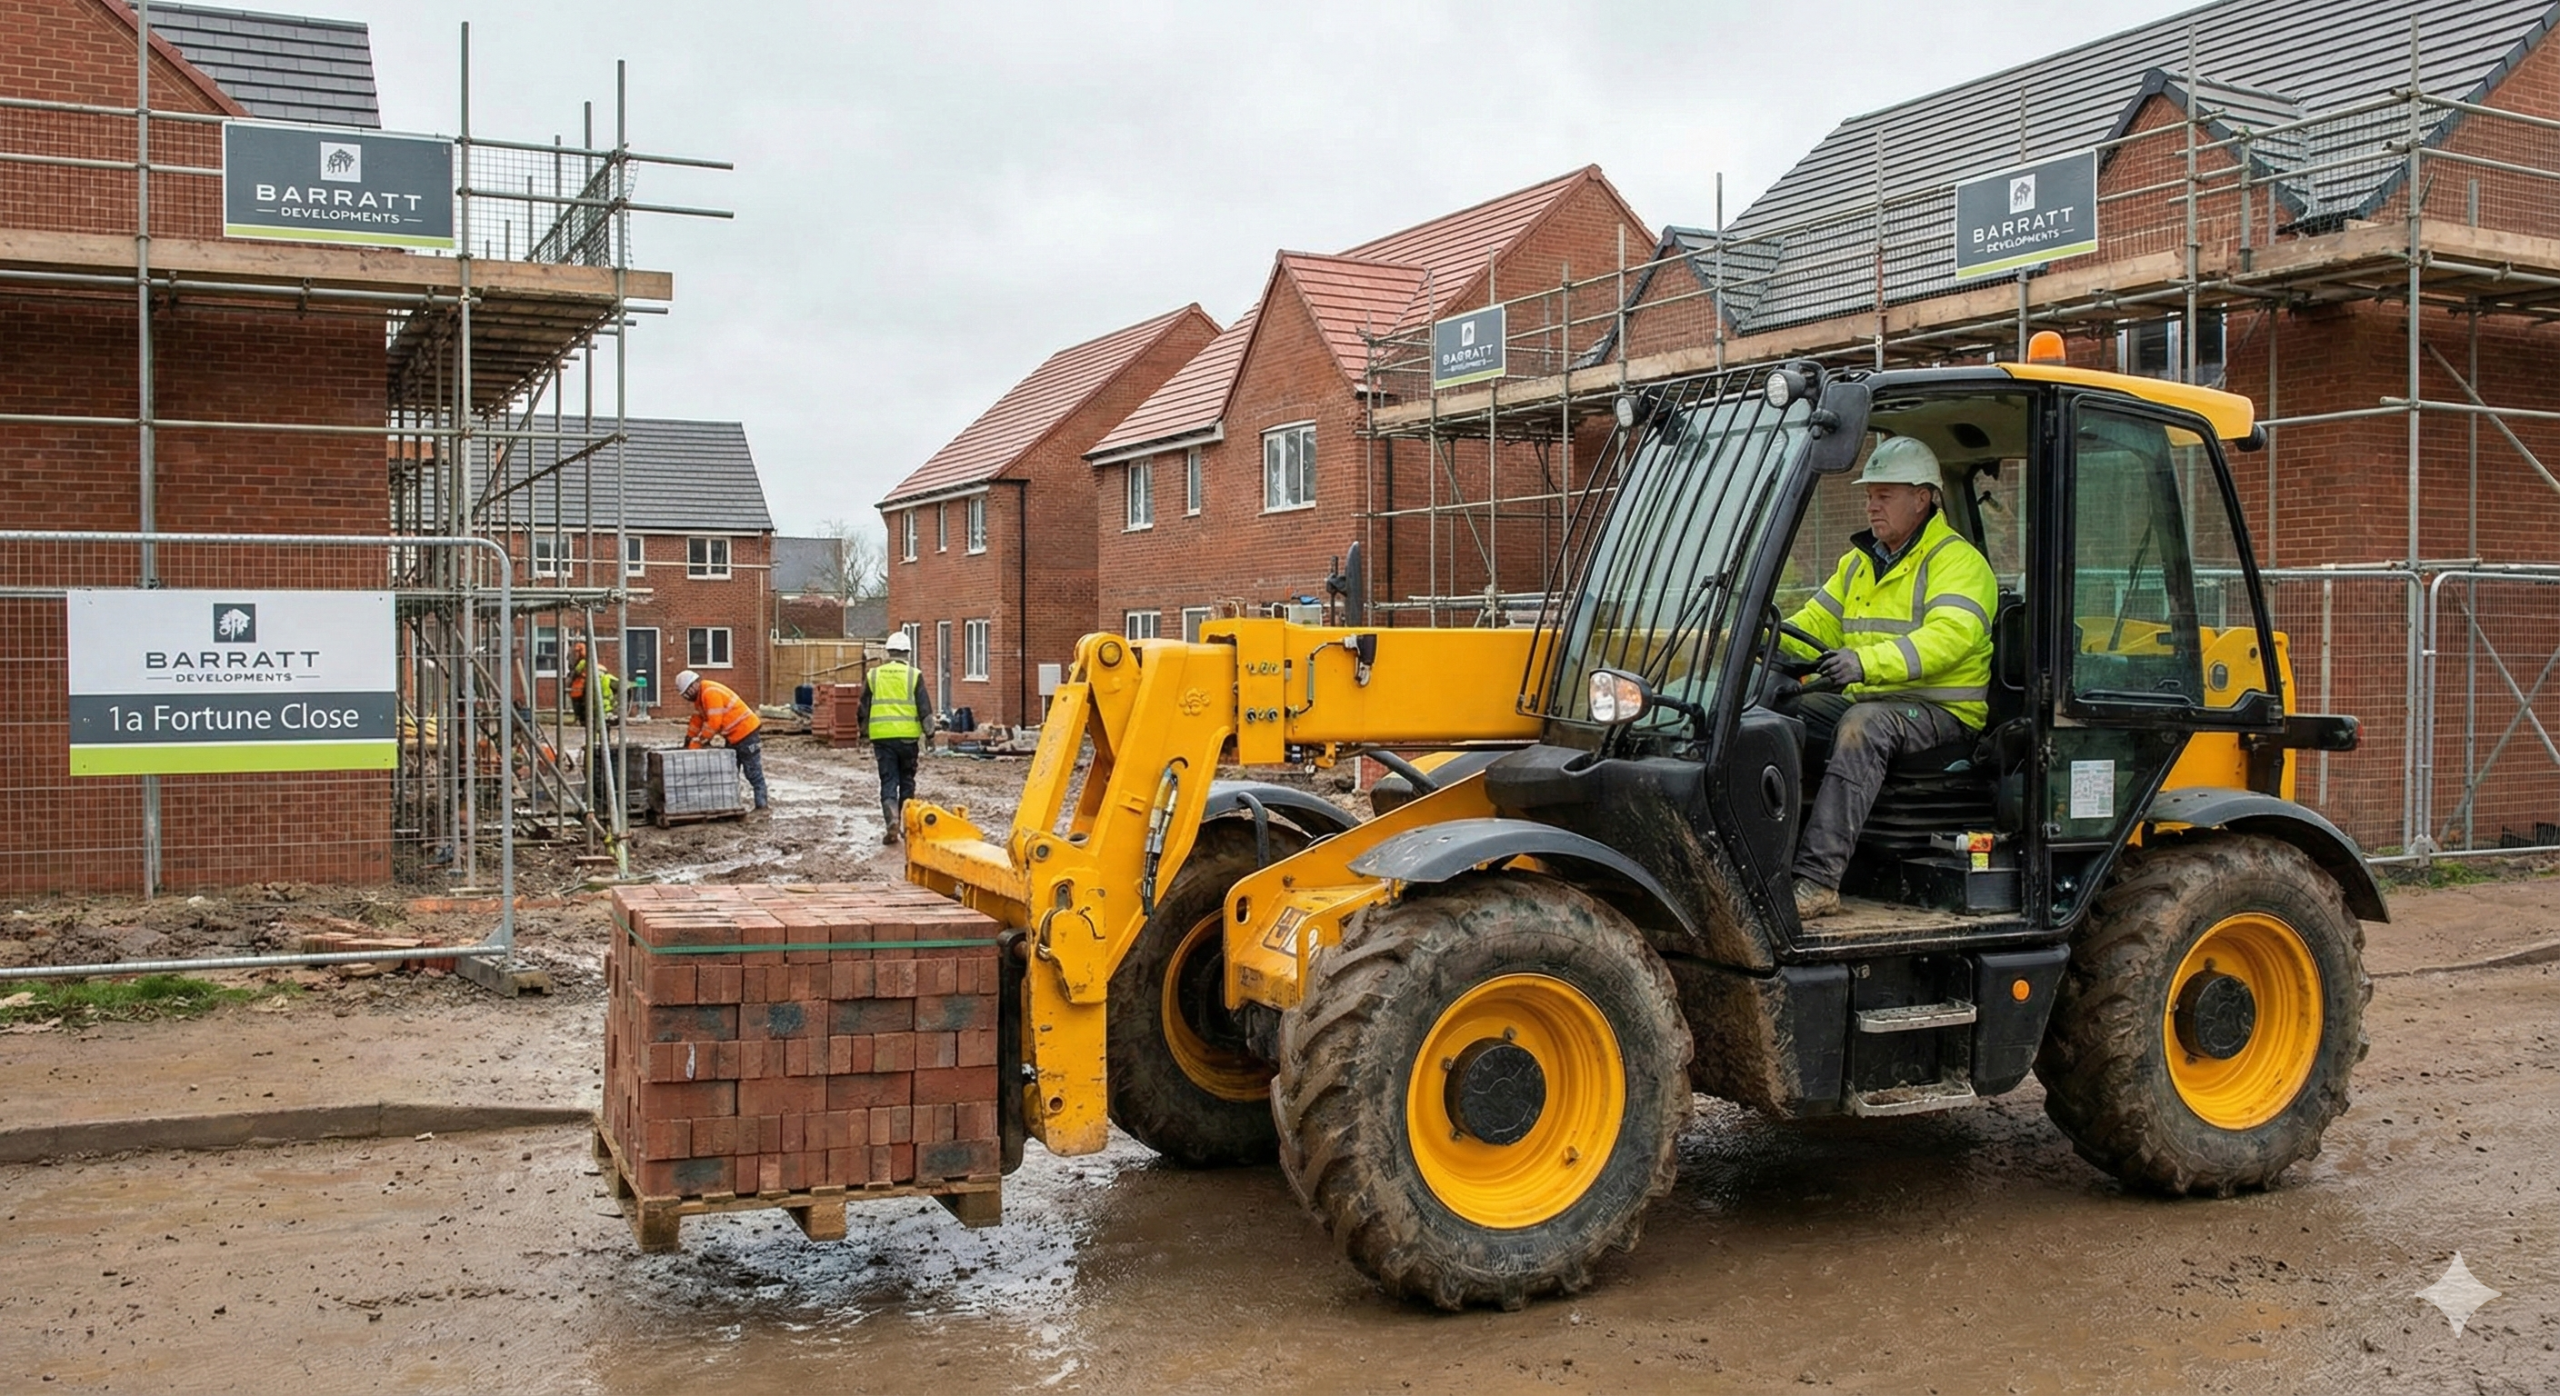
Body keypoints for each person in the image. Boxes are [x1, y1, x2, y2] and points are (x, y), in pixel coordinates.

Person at [1780, 436, 1997, 920]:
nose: (1871, 505)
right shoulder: (1860, 562)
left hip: (1941, 712)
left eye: (1884, 495)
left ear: (1922, 498)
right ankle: (1767, 857)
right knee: (1777, 710)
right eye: (1868, 495)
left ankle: (1817, 881)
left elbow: (1949, 638)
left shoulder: (1958, 563)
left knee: (1863, 725)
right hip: (1875, 696)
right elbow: (1815, 623)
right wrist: (1761, 641)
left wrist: (1864, 663)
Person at [859, 631, 926, 845]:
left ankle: (891, 821)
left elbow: (863, 708)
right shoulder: (914, 675)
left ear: (889, 652)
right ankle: (907, 825)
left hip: (882, 738)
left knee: (888, 780)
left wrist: (863, 734)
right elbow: (925, 709)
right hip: (908, 739)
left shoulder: (874, 675)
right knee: (907, 781)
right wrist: (931, 735)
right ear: (907, 652)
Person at [676, 668, 768, 816]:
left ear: (694, 685)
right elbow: (697, 720)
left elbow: (714, 723)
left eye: (687, 693)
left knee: (753, 772)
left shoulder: (709, 693)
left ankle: (762, 807)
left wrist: (701, 741)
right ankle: (731, 805)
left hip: (747, 733)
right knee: (730, 772)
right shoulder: (700, 699)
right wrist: (688, 739)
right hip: (733, 736)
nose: (687, 697)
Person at [566, 641, 619, 813]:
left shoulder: (583, 671)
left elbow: (576, 695)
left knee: (595, 748)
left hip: (594, 715)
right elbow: (619, 687)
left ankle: (596, 782)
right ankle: (601, 771)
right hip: (604, 715)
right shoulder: (600, 669)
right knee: (603, 744)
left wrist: (580, 716)